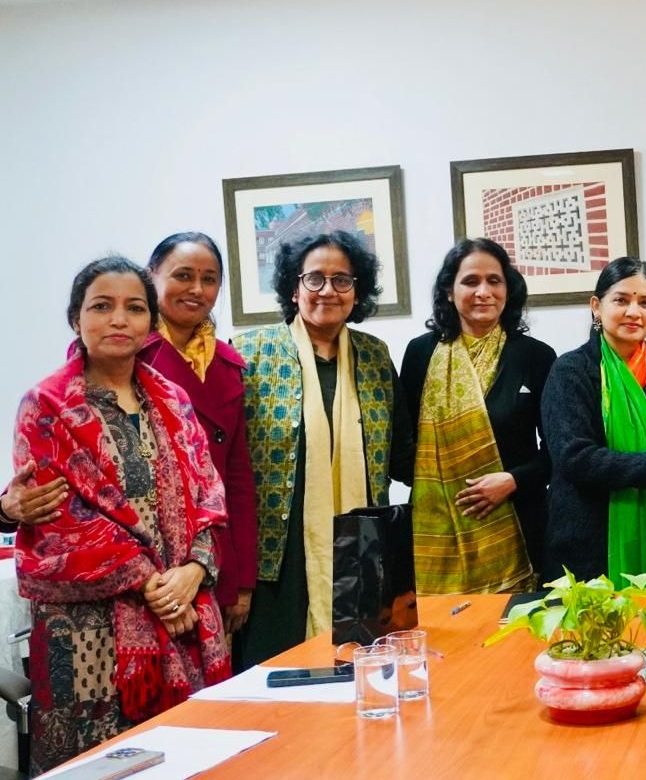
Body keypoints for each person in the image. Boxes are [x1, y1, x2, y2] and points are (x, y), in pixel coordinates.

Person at [10, 257, 229, 773]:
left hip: (185, 612)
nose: (118, 320)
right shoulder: (47, 405)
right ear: (75, 319)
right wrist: (156, 586)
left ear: (150, 323)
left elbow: (209, 497)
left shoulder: (174, 400)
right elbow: (59, 520)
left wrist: (193, 572)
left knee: (190, 758)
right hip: (87, 635)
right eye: (101, 306)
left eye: (133, 308)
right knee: (100, 765)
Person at [232, 231, 411, 667]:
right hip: (279, 556)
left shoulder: (373, 355)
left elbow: (402, 451)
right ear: (294, 289)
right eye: (315, 279)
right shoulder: (251, 353)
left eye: (342, 280)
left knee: (362, 672)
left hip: (362, 547)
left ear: (357, 291)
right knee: (278, 681)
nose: (328, 290)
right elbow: (227, 465)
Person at [400, 238, 554, 591]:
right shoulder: (421, 353)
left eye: (494, 281)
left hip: (517, 523)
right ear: (450, 292)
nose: (483, 291)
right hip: (434, 530)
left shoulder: (535, 356)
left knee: (514, 639)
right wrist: (440, 483)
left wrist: (513, 480)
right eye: (470, 281)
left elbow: (557, 451)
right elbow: (404, 447)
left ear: (508, 290)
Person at [541, 257, 646, 589]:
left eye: (645, 302)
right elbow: (574, 458)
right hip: (585, 546)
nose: (634, 312)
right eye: (621, 300)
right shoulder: (571, 371)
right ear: (596, 306)